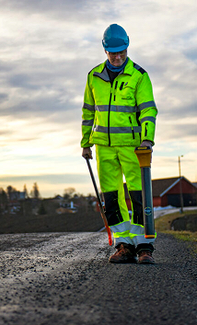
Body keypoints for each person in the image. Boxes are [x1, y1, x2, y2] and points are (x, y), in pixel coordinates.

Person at [81, 24, 158, 264]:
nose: (117, 57)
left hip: (134, 147)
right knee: (112, 198)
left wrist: (147, 139)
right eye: (113, 52)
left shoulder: (139, 76)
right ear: (105, 50)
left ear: (127, 47)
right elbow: (88, 111)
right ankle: (124, 245)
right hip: (104, 146)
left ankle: (144, 246)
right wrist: (85, 143)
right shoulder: (93, 77)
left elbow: (148, 110)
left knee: (139, 196)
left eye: (121, 51)